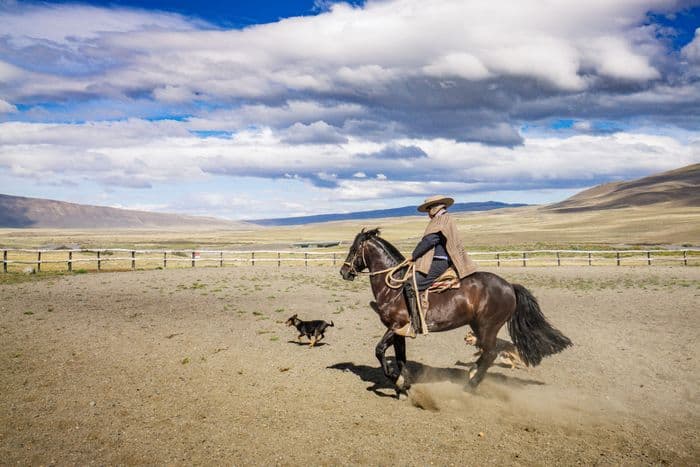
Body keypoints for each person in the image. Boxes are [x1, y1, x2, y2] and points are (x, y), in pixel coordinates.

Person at [404, 195, 477, 333]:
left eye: (428, 209)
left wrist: (413, 256)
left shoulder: (441, 220)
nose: (428, 213)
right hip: (440, 259)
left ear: (435, 207)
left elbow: (430, 240)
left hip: (440, 261)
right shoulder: (445, 218)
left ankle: (415, 322)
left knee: (411, 284)